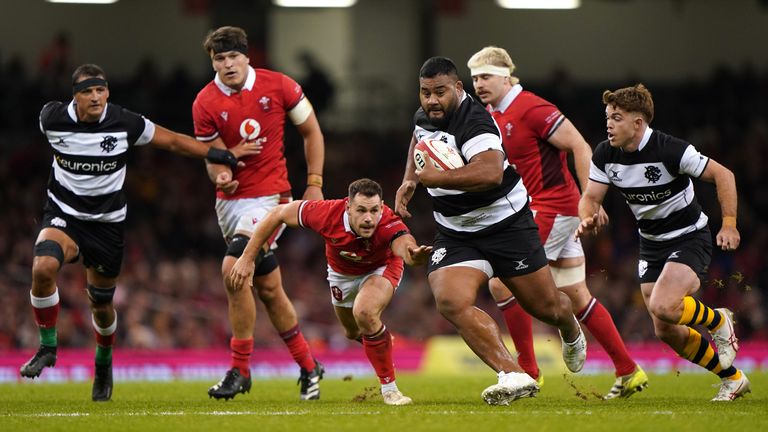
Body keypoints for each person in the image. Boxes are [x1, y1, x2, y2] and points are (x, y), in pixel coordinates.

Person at [21, 63, 257, 402]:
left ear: (107, 92)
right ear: (75, 96)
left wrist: (222, 154)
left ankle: (104, 363)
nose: (96, 97)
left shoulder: (124, 122)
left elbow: (173, 141)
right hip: (64, 217)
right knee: (43, 266)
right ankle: (47, 347)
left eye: (100, 90)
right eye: (87, 91)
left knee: (101, 305)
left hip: (107, 226)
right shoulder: (51, 118)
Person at [394, 56, 587, 406]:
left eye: (440, 92)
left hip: (506, 226)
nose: (432, 100)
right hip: (456, 231)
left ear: (458, 88)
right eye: (425, 92)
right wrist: (410, 179)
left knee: (546, 307)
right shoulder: (425, 115)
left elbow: (490, 173)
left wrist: (437, 178)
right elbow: (418, 139)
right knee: (450, 300)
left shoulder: (476, 122)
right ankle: (512, 374)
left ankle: (570, 327)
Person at [467, 46, 647, 399]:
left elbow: (579, 145)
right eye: (474, 78)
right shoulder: (491, 113)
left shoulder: (532, 108)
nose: (479, 84)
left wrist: (589, 200)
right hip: (541, 209)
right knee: (576, 295)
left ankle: (528, 372)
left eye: (485, 76)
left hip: (551, 207)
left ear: (506, 77)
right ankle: (628, 370)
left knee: (503, 283)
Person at [577, 83, 749, 401]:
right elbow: (590, 197)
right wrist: (588, 216)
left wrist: (729, 224)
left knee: (663, 305)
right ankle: (733, 378)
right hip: (651, 243)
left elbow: (724, 175)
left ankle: (718, 319)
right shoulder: (605, 153)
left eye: (616, 118)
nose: (609, 124)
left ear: (637, 123)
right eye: (607, 117)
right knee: (665, 329)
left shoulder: (670, 150)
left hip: (689, 237)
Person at [192, 26, 326, 401]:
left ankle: (240, 370)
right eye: (219, 58)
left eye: (233, 56)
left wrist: (314, 183)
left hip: (271, 200)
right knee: (268, 289)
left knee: (233, 270)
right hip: (230, 204)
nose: (227, 64)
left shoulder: (279, 85)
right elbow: (213, 158)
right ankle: (309, 366)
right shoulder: (204, 102)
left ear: (247, 56)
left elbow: (312, 132)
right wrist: (221, 173)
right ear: (213, 63)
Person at [229, 178, 432, 405]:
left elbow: (404, 243)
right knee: (352, 331)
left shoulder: (387, 222)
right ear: (348, 207)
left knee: (364, 312)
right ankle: (379, 339)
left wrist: (413, 255)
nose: (369, 218)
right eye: (361, 210)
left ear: (381, 207)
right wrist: (247, 257)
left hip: (380, 267)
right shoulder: (326, 213)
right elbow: (277, 214)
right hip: (341, 274)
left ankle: (390, 389)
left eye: (374, 210)